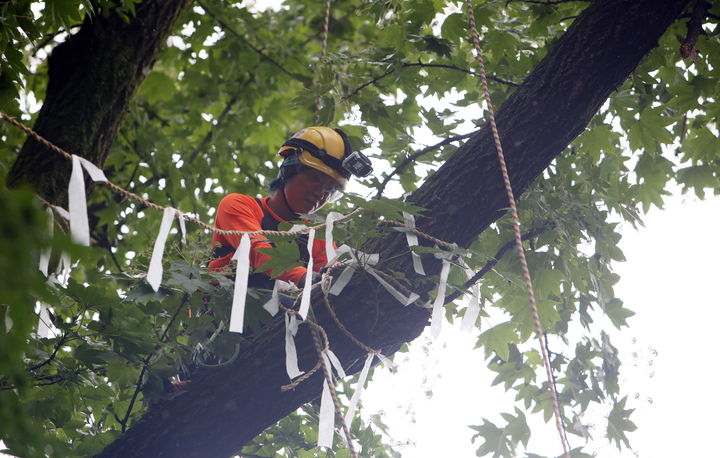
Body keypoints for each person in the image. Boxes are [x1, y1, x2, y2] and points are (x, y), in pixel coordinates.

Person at [208, 126, 372, 288]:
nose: (321, 194)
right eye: (315, 179)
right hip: (226, 307)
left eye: (329, 189)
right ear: (289, 170)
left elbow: (331, 274)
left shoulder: (316, 234)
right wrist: (303, 278)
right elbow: (258, 251)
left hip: (281, 310)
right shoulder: (239, 205)